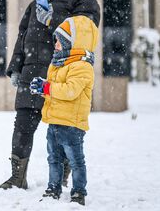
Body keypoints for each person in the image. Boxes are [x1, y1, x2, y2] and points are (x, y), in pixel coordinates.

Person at [0, 0, 100, 190]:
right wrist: (15, 68)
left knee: (62, 129)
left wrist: (53, 19)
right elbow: (23, 37)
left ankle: (63, 176)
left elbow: (85, 33)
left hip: (64, 73)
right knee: (23, 124)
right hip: (33, 71)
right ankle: (17, 176)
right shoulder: (37, 3)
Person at [29, 15, 98, 206]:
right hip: (55, 121)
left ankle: (78, 191)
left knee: (76, 161)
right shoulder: (59, 62)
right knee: (54, 159)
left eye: (61, 40)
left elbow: (70, 91)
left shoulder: (82, 66)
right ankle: (53, 188)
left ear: (72, 43)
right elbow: (54, 89)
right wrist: (42, 87)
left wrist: (47, 88)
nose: (56, 43)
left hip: (72, 124)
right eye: (56, 39)